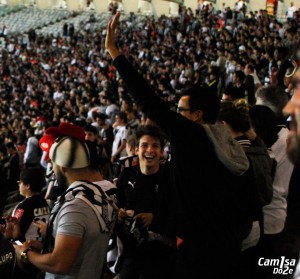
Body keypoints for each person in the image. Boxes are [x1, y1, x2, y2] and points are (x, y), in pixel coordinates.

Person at [106, 12, 250, 278]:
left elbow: (148, 101)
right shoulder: (223, 136)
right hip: (227, 239)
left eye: (181, 110)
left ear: (196, 114)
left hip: (202, 247)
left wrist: (115, 53)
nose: (177, 114)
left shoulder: (193, 135)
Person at [13, 123, 118, 279]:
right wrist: (45, 245)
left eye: (53, 163)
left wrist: (25, 253)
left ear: (62, 167)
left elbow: (59, 264)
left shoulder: (75, 206)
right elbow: (80, 248)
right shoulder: (97, 194)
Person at [116, 125, 175, 279]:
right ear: (136, 150)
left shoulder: (170, 177)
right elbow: (117, 205)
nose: (150, 150)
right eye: (144, 145)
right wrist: (119, 213)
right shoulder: (126, 174)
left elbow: (179, 212)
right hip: (130, 250)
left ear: (161, 151)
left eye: (155, 146)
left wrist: (154, 218)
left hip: (161, 253)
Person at [1, 167, 50, 279]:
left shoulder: (22, 207)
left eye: (20, 182)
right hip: (41, 253)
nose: (19, 185)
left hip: (26, 255)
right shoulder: (45, 203)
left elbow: (16, 236)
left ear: (27, 185)